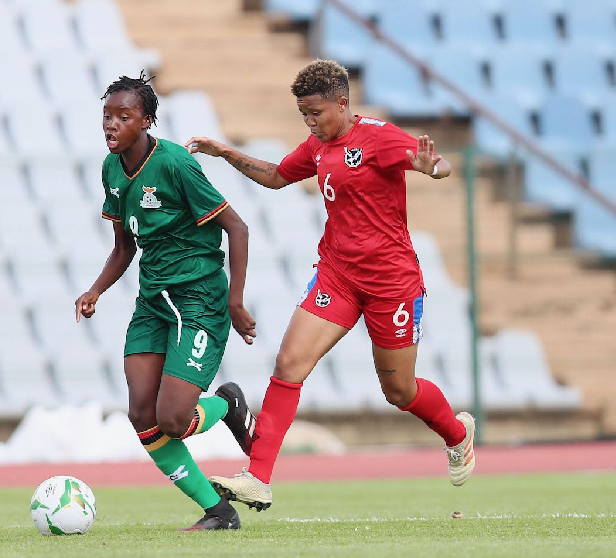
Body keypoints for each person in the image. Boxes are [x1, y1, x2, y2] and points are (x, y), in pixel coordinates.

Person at [185, 59, 475, 511]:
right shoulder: (317, 147)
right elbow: (278, 176)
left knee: (399, 392)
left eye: (316, 113)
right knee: (289, 364)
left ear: (342, 103)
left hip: (391, 283)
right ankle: (258, 477)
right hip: (337, 274)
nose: (310, 122)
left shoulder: (378, 137)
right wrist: (226, 153)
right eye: (303, 114)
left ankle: (457, 434)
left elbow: (439, 165)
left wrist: (428, 167)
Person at [75, 72, 258, 530]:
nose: (111, 125)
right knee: (141, 415)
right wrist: (95, 290)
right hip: (153, 302)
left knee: (172, 419)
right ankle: (218, 512)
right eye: (107, 115)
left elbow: (237, 227)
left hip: (198, 298)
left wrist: (235, 302)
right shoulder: (110, 169)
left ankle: (228, 406)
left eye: (124, 116)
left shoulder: (175, 164)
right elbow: (124, 247)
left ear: (147, 121)